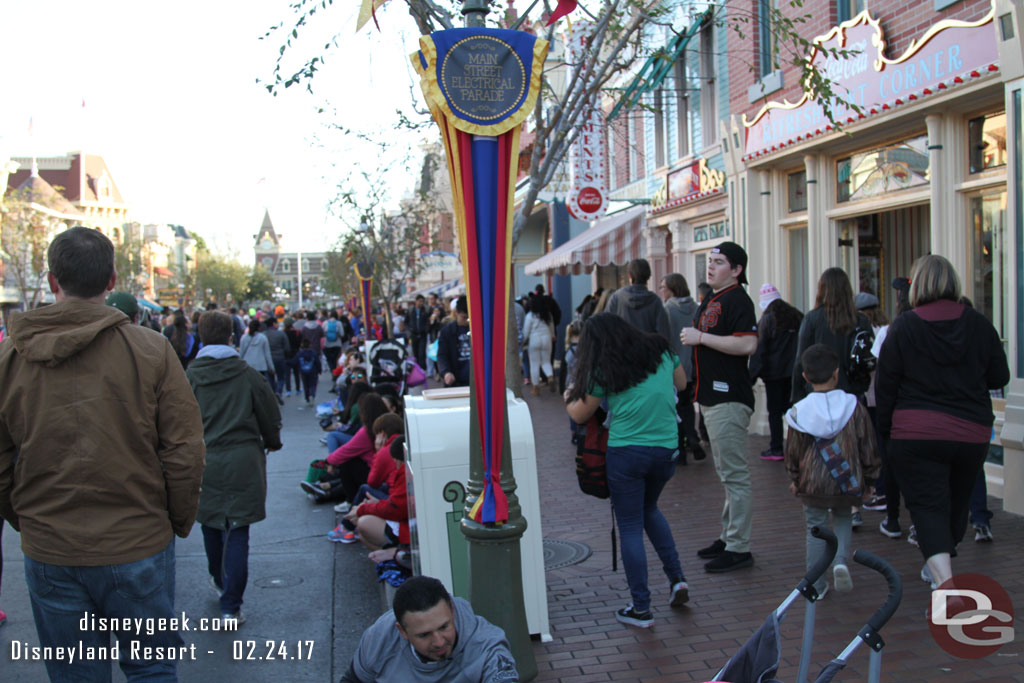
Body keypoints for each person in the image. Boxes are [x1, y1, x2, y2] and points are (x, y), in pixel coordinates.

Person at [0, 227, 206, 680]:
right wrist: (173, 520)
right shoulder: (151, 350)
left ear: (53, 281)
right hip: (137, 538)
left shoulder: (10, 358)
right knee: (152, 668)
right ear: (112, 280)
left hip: (53, 544)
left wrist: (28, 519)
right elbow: (184, 451)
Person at [875, 255, 1009, 592]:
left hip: (916, 432)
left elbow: (886, 386)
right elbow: (999, 375)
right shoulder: (979, 324)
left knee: (927, 506)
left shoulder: (904, 326)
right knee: (957, 503)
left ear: (917, 285)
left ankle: (944, 581)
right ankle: (940, 566)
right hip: (970, 431)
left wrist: (885, 436)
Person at [565, 312, 689, 628]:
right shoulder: (661, 349)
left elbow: (580, 414)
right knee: (649, 509)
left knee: (630, 525)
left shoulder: (604, 366)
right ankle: (677, 579)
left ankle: (641, 607)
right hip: (666, 449)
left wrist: (568, 396)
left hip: (627, 453)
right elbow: (682, 383)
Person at [187, 311, 283, 624]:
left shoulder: (188, 376)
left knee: (211, 523)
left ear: (200, 337)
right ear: (232, 336)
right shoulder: (247, 374)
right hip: (244, 461)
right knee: (239, 530)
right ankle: (232, 605)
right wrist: (272, 440)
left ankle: (218, 578)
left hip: (204, 461)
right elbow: (269, 415)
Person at [680, 241, 758, 573]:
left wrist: (701, 338)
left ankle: (739, 547)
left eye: (719, 262)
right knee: (727, 474)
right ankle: (728, 537)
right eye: (710, 261)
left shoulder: (738, 299)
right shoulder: (714, 298)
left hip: (728, 398)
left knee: (735, 476)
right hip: (712, 397)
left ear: (737, 270)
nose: (710, 266)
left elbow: (747, 343)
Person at [784, 345, 879, 597]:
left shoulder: (798, 412)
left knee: (814, 527)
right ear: (836, 373)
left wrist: (795, 478)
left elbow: (793, 451)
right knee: (843, 518)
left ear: (805, 377)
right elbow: (867, 445)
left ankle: (816, 583)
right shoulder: (853, 406)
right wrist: (869, 479)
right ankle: (840, 562)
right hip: (846, 480)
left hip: (812, 481)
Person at [342, 575, 518, 683]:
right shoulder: (379, 638)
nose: (439, 641)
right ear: (402, 631)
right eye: (424, 635)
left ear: (452, 611)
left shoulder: (487, 646)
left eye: (444, 627)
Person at [790, 268, 873, 403]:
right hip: (851, 392)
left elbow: (801, 360)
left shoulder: (812, 319)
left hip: (818, 391)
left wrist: (797, 396)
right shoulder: (860, 320)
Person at [748, 283, 803, 461]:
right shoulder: (797, 316)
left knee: (774, 412)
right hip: (795, 372)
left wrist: (751, 376)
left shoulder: (767, 320)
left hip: (774, 374)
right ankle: (798, 446)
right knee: (792, 410)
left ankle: (777, 447)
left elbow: (760, 350)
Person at [660, 272, 704, 463]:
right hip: (693, 365)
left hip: (675, 366)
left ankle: (680, 449)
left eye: (663, 287)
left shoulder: (667, 310)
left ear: (670, 289)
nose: (661, 290)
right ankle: (692, 437)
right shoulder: (696, 308)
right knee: (686, 405)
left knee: (674, 408)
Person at [605, 258, 670, 340]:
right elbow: (663, 334)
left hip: (622, 350)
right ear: (649, 276)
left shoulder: (616, 298)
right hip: (648, 350)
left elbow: (606, 327)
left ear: (629, 275)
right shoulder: (655, 301)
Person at [522, 294, 556, 395]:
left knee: (534, 364)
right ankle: (550, 376)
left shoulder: (530, 316)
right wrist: (553, 336)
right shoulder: (548, 314)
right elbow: (552, 328)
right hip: (546, 338)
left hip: (534, 340)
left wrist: (523, 341)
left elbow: (526, 331)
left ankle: (536, 388)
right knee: (546, 361)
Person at [438, 295, 471, 387]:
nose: (467, 321)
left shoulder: (480, 330)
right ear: (456, 313)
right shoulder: (447, 332)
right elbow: (442, 355)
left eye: (469, 318)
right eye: (464, 317)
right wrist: (446, 372)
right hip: (456, 381)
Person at [240, 318, 277, 396]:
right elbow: (267, 354)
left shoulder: (244, 338)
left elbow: (241, 353)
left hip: (248, 365)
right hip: (261, 366)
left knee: (249, 385)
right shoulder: (263, 338)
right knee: (260, 386)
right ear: (259, 327)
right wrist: (271, 367)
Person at [264, 316, 290, 399]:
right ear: (274, 324)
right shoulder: (281, 333)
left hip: (268, 359)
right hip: (279, 357)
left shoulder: (263, 335)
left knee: (270, 377)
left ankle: (273, 393)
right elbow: (287, 348)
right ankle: (279, 391)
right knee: (281, 377)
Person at [408, 294, 431, 369]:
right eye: (420, 301)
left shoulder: (425, 310)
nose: (421, 303)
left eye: (423, 301)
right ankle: (416, 369)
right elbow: (406, 321)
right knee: (415, 353)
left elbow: (428, 321)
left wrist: (425, 329)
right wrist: (410, 329)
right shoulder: (411, 310)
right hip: (413, 335)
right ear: (416, 301)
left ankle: (422, 369)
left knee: (422, 353)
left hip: (422, 335)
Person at [296, 338, 321, 404]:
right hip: (313, 371)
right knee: (313, 384)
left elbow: (296, 361)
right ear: (310, 345)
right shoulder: (313, 352)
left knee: (305, 384)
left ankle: (307, 397)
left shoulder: (300, 353)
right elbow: (317, 362)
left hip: (303, 372)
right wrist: (319, 370)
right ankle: (312, 395)